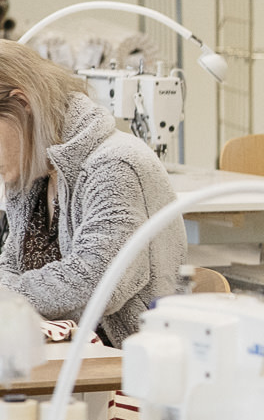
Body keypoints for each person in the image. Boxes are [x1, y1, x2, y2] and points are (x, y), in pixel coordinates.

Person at [0, 41, 183, 346]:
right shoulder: (32, 170)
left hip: (127, 366)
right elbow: (10, 265)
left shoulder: (116, 165)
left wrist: (7, 297)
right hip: (60, 359)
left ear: (21, 103)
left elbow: (95, 281)